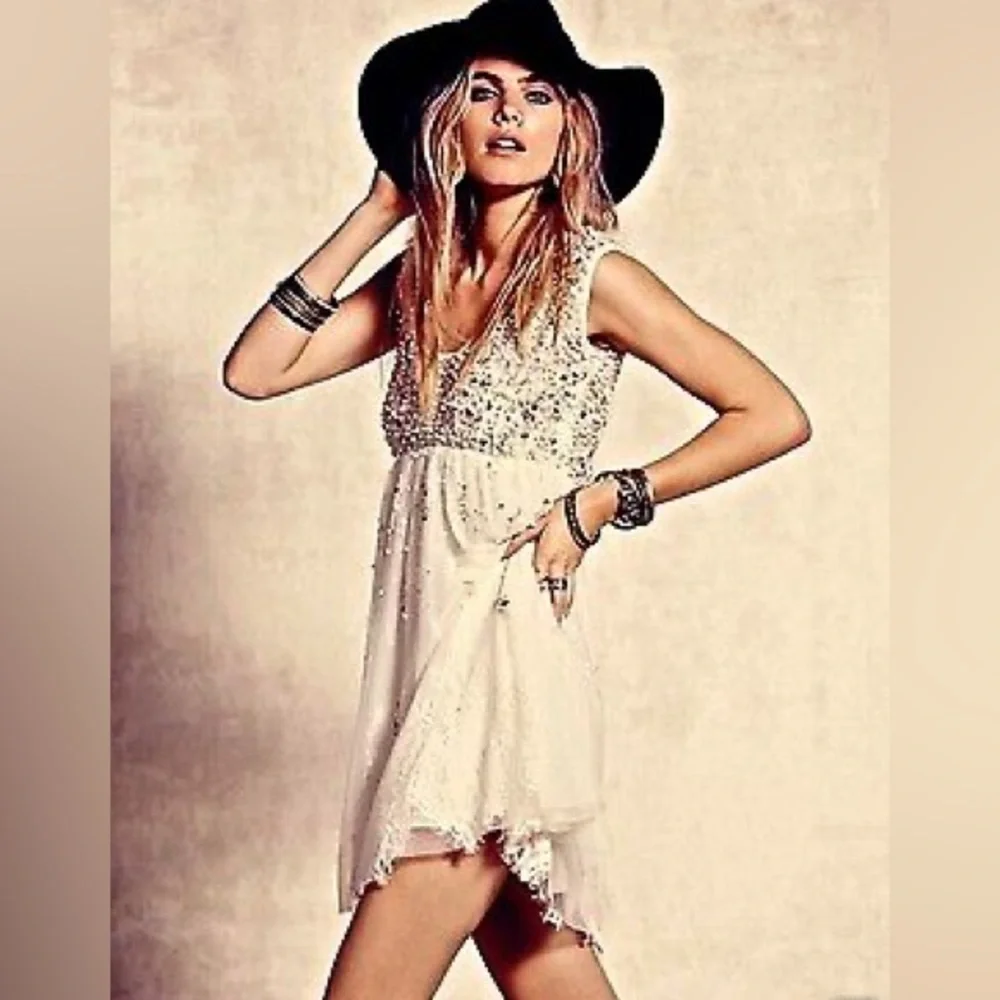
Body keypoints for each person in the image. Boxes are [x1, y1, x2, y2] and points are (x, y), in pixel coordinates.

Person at [221, 1, 812, 996]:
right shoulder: (418, 280)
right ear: (443, 120)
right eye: (483, 92)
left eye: (538, 96)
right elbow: (256, 369)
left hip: (497, 674)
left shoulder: (597, 278)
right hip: (421, 668)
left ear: (569, 129)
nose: (509, 114)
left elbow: (771, 412)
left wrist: (604, 498)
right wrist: (378, 210)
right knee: (551, 976)